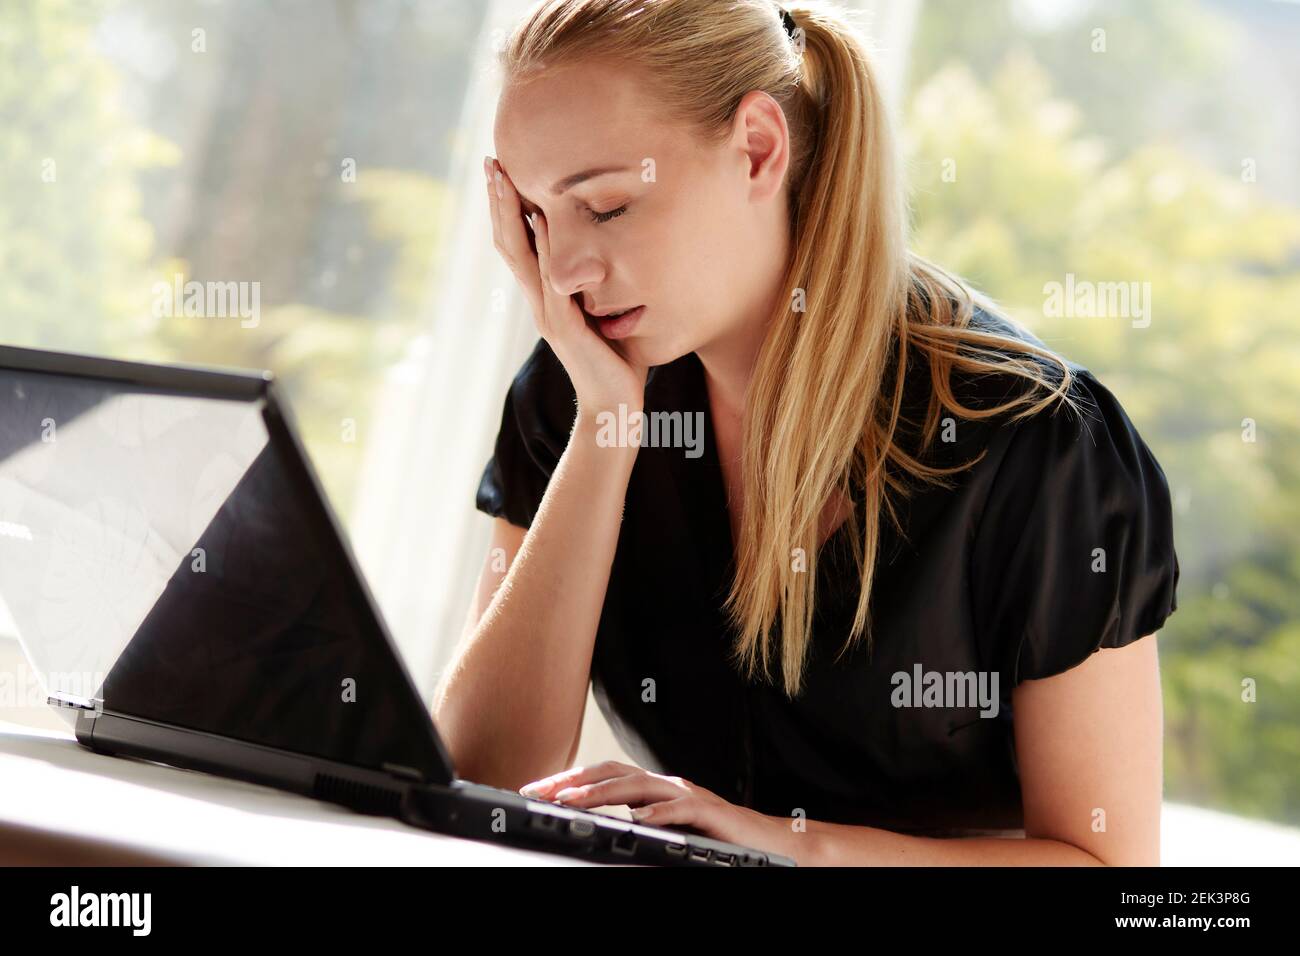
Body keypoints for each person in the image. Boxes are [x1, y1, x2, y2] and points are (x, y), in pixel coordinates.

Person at [432, 0, 1179, 866]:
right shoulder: (578, 391)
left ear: (758, 148)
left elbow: (1114, 873)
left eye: (603, 208)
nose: (562, 272)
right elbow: (481, 777)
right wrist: (604, 431)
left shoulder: (1039, 448)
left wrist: (788, 848)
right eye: (534, 220)